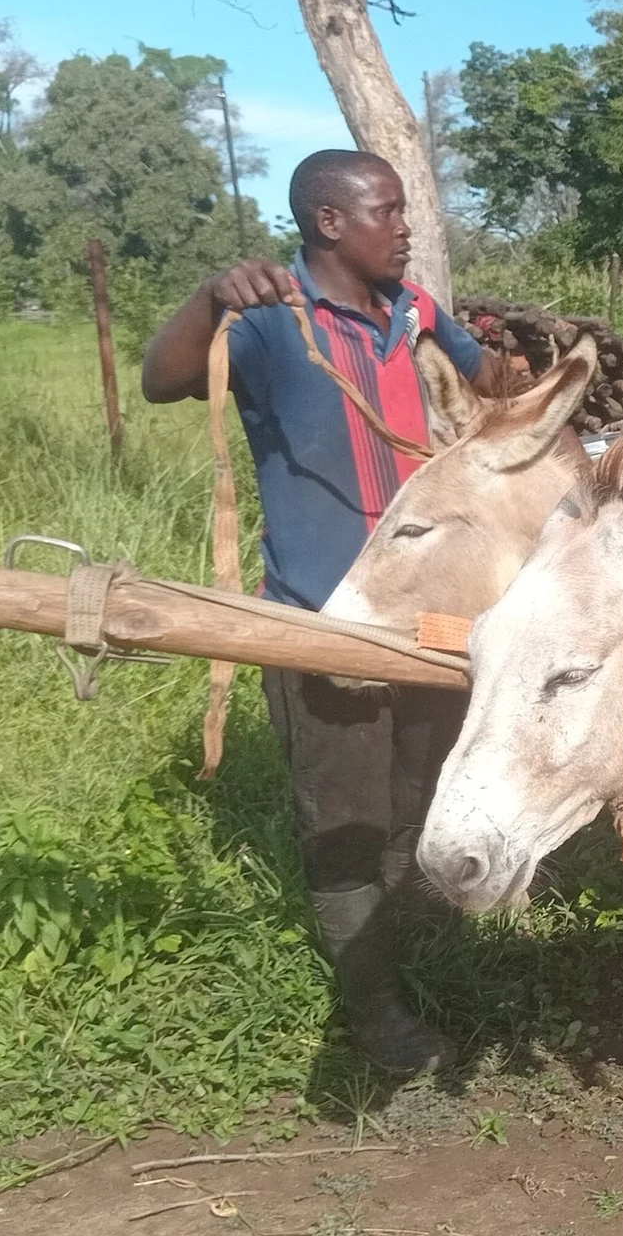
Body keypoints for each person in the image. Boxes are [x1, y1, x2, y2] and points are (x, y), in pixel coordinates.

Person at [142, 150, 520, 1073]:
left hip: (430, 619)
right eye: (386, 210)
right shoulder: (269, 323)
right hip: (325, 617)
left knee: (420, 795)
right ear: (328, 221)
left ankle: (416, 954)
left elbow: (487, 388)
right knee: (344, 822)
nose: (405, 226)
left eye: (402, 209)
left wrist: (518, 363)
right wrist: (208, 298)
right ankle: (379, 1014)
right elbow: (160, 379)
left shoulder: (417, 313)